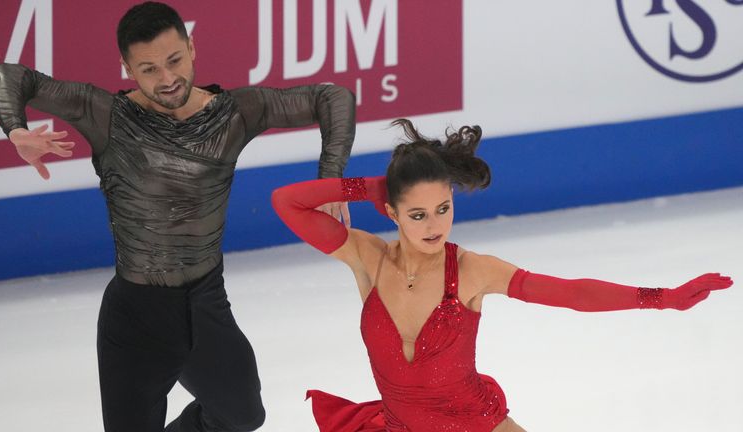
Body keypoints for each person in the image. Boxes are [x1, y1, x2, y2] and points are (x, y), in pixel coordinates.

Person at [0, 2, 355, 431]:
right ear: (126, 68)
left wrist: (331, 181)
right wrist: (15, 129)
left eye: (174, 60)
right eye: (148, 69)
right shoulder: (106, 115)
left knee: (242, 415)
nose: (167, 79)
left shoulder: (233, 113)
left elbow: (334, 97)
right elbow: (9, 76)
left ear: (192, 47)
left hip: (206, 305)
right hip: (136, 319)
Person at [271, 118, 733, 432]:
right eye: (417, 214)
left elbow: (569, 293)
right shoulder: (366, 258)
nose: (434, 226)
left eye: (443, 208)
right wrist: (369, 186)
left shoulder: (470, 270)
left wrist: (660, 297)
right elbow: (286, 201)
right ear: (390, 211)